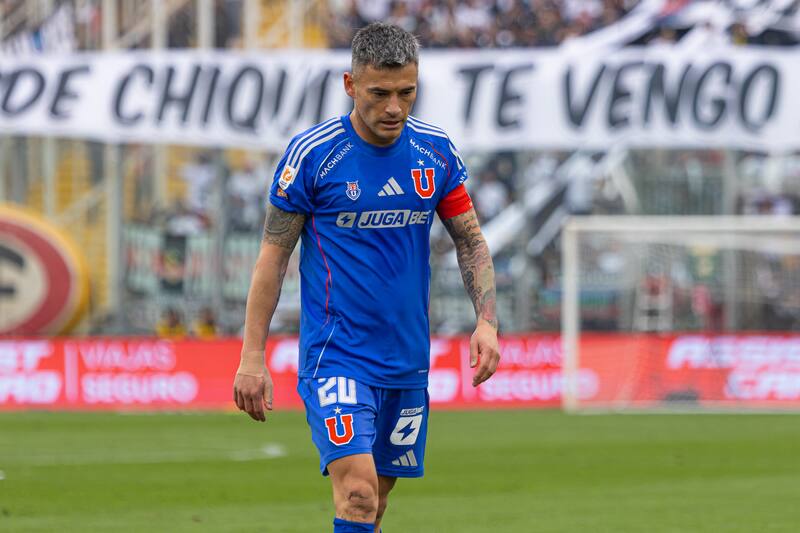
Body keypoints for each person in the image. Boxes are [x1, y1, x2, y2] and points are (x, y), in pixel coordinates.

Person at [233, 23, 500, 533]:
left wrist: (487, 321)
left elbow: (470, 240)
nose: (395, 108)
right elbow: (272, 258)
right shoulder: (313, 156)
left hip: (405, 359)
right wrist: (252, 355)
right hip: (337, 354)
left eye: (407, 93)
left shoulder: (435, 153)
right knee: (355, 493)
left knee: (373, 501)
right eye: (380, 93)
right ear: (351, 85)